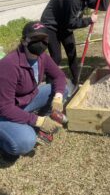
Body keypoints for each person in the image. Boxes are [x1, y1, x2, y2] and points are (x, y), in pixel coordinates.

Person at [0, 21, 67, 160]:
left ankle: (32, 122)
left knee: (63, 89)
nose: (41, 43)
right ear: (24, 41)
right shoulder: (8, 65)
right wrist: (38, 120)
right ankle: (6, 140)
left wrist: (58, 97)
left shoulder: (42, 57)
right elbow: (5, 107)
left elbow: (59, 76)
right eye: (35, 39)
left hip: (24, 101)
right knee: (26, 142)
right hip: (5, 109)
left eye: (44, 39)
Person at [41, 0, 110, 88]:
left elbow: (104, 5)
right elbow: (71, 23)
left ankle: (76, 81)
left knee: (72, 54)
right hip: (51, 25)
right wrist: (89, 20)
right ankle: (49, 85)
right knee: (56, 58)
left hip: (64, 25)